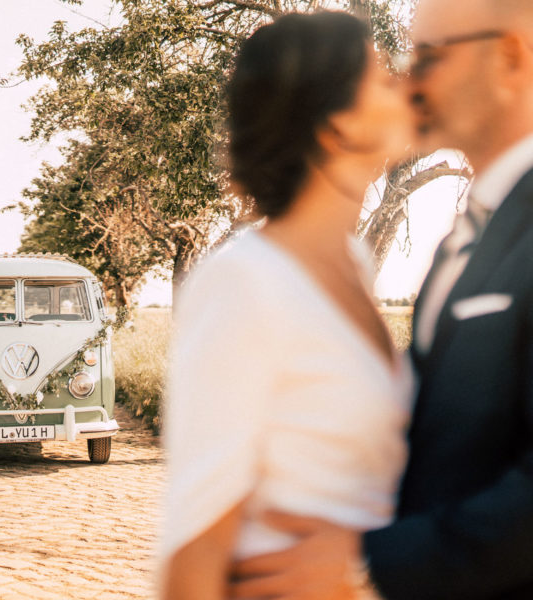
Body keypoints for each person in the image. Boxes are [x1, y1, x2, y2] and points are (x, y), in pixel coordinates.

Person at [229, 0, 533, 598]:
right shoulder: (461, 242)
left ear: (508, 58)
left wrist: (366, 563)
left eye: (429, 56)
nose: (409, 81)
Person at [159, 11, 414, 600]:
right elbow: (197, 541)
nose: (402, 82)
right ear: (334, 125)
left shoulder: (356, 265)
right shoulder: (245, 283)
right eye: (380, 76)